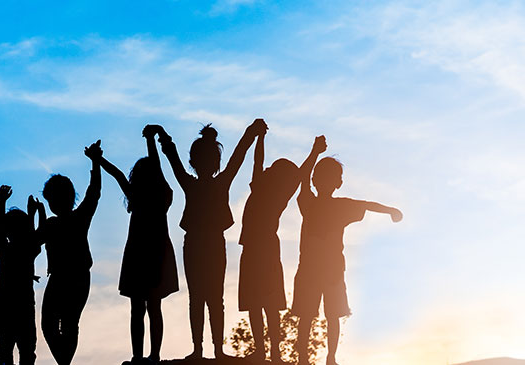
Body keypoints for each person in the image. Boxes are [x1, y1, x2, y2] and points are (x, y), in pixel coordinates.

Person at [158, 119, 266, 360]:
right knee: (212, 299)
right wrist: (251, 132)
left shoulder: (193, 183)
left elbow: (172, 158)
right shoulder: (219, 182)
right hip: (209, 244)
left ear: (194, 162)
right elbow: (238, 155)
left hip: (200, 244)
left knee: (200, 298)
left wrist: (163, 136)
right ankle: (211, 350)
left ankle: (203, 350)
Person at [292, 136, 403, 365]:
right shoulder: (308, 203)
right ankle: (305, 357)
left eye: (329, 177)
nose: (323, 181)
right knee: (308, 315)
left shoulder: (339, 206)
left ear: (338, 183)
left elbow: (367, 205)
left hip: (332, 273)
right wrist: (314, 152)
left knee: (331, 315)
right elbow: (302, 178)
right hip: (311, 271)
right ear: (315, 180)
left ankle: (330, 358)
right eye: (320, 177)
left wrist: (391, 210)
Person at [97, 125, 178, 364]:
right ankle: (153, 356)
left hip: (139, 254)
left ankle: (139, 356)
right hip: (157, 254)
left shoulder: (139, 195)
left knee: (138, 309)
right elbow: (123, 173)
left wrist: (98, 159)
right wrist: (151, 139)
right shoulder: (162, 196)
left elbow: (118, 174)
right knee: (154, 307)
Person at [237, 126, 301, 364]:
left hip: (261, 250)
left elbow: (259, 160)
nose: (265, 168)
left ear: (276, 177)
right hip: (255, 249)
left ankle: (272, 352)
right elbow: (258, 160)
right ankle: (265, 352)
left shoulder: (274, 194)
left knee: (266, 304)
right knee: (258, 304)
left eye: (271, 168)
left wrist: (261, 138)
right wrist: (260, 138)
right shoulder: (265, 188)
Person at [39, 140, 102, 365]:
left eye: (55, 199)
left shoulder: (78, 218)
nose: (54, 203)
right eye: (50, 200)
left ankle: (64, 362)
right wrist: (37, 216)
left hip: (76, 277)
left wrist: (96, 163)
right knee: (49, 324)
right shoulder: (51, 224)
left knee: (68, 323)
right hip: (58, 278)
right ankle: (64, 361)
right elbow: (34, 241)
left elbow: (94, 193)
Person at [0, 185, 43, 365]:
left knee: (5, 350)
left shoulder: (4, 250)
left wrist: (1, 201)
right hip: (24, 304)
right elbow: (32, 236)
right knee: (27, 351)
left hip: (5, 303)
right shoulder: (28, 251)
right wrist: (33, 214)